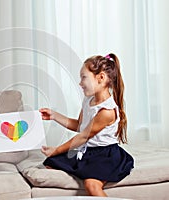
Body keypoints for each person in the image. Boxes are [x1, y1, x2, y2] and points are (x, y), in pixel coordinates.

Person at [40, 53, 134, 197]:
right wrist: (54, 116)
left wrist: (56, 150)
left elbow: (83, 136)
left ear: (101, 78)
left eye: (84, 77)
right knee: (50, 163)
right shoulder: (88, 99)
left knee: (91, 185)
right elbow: (79, 126)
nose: (80, 83)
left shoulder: (107, 111)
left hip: (105, 155)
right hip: (88, 151)